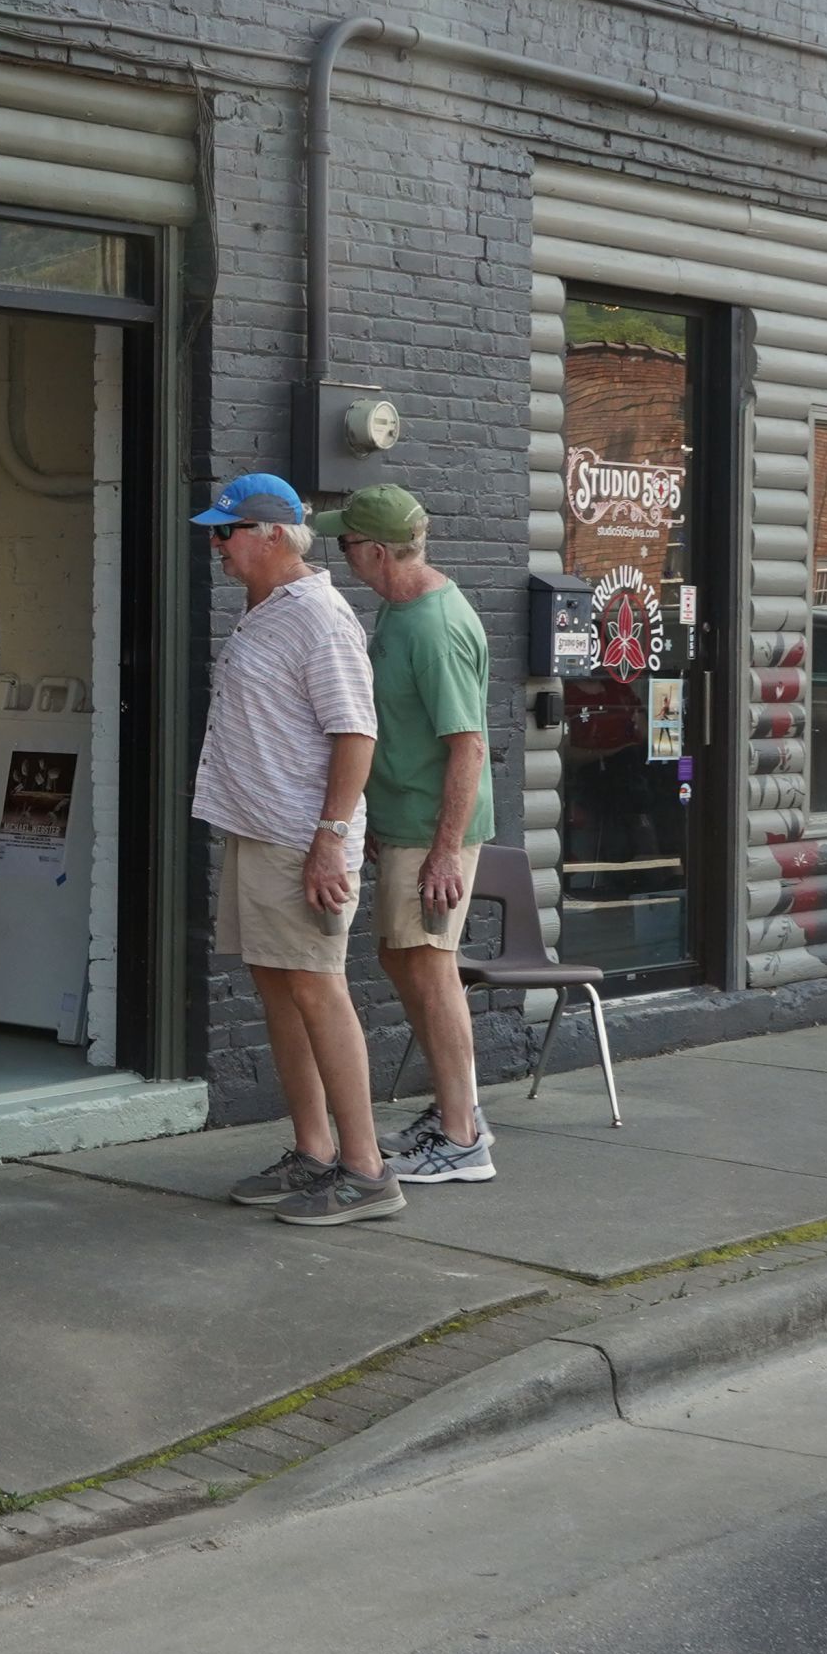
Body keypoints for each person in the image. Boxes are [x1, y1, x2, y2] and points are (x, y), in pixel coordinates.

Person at [193, 473, 403, 1226]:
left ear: (271, 534)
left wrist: (331, 840)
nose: (216, 544)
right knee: (278, 991)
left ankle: (367, 1170)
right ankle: (314, 1152)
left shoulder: (319, 615)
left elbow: (357, 732)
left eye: (227, 531)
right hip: (258, 833)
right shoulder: (265, 610)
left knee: (318, 989)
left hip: (300, 841)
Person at [331, 485, 498, 1185]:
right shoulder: (399, 610)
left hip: (433, 832)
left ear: (374, 550)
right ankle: (457, 1113)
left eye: (345, 544)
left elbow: (468, 746)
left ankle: (463, 1138)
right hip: (403, 824)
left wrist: (441, 852)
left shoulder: (433, 625)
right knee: (406, 961)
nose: (341, 555)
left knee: (430, 969)